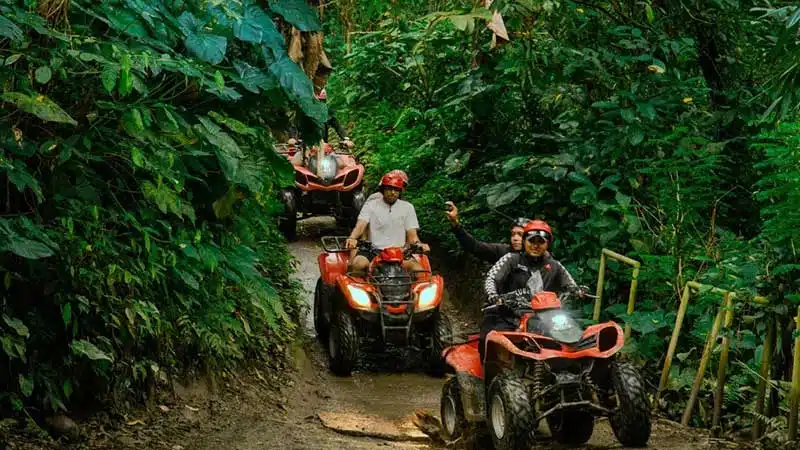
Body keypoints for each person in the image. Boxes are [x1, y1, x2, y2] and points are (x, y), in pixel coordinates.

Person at [478, 219, 579, 361]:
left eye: (541, 242)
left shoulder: (554, 265)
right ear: (525, 241)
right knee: (488, 338)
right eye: (531, 241)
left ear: (547, 244)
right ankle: (486, 372)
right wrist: (493, 295)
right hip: (507, 313)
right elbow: (492, 278)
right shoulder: (511, 259)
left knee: (570, 336)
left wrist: (578, 291)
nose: (535, 245)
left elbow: (571, 284)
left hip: (544, 316)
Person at [345, 171, 429, 275]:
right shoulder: (371, 204)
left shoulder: (408, 207)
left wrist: (419, 244)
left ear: (400, 191)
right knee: (358, 264)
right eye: (389, 189)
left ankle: (416, 287)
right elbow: (360, 226)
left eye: (396, 190)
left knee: (419, 271)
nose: (393, 192)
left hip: (399, 253)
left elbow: (412, 236)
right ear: (383, 189)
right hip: (373, 251)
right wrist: (352, 238)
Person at [444, 201, 526, 264]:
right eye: (513, 234)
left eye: (520, 234)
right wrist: (455, 223)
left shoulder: (533, 258)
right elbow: (474, 246)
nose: (515, 238)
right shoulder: (502, 251)